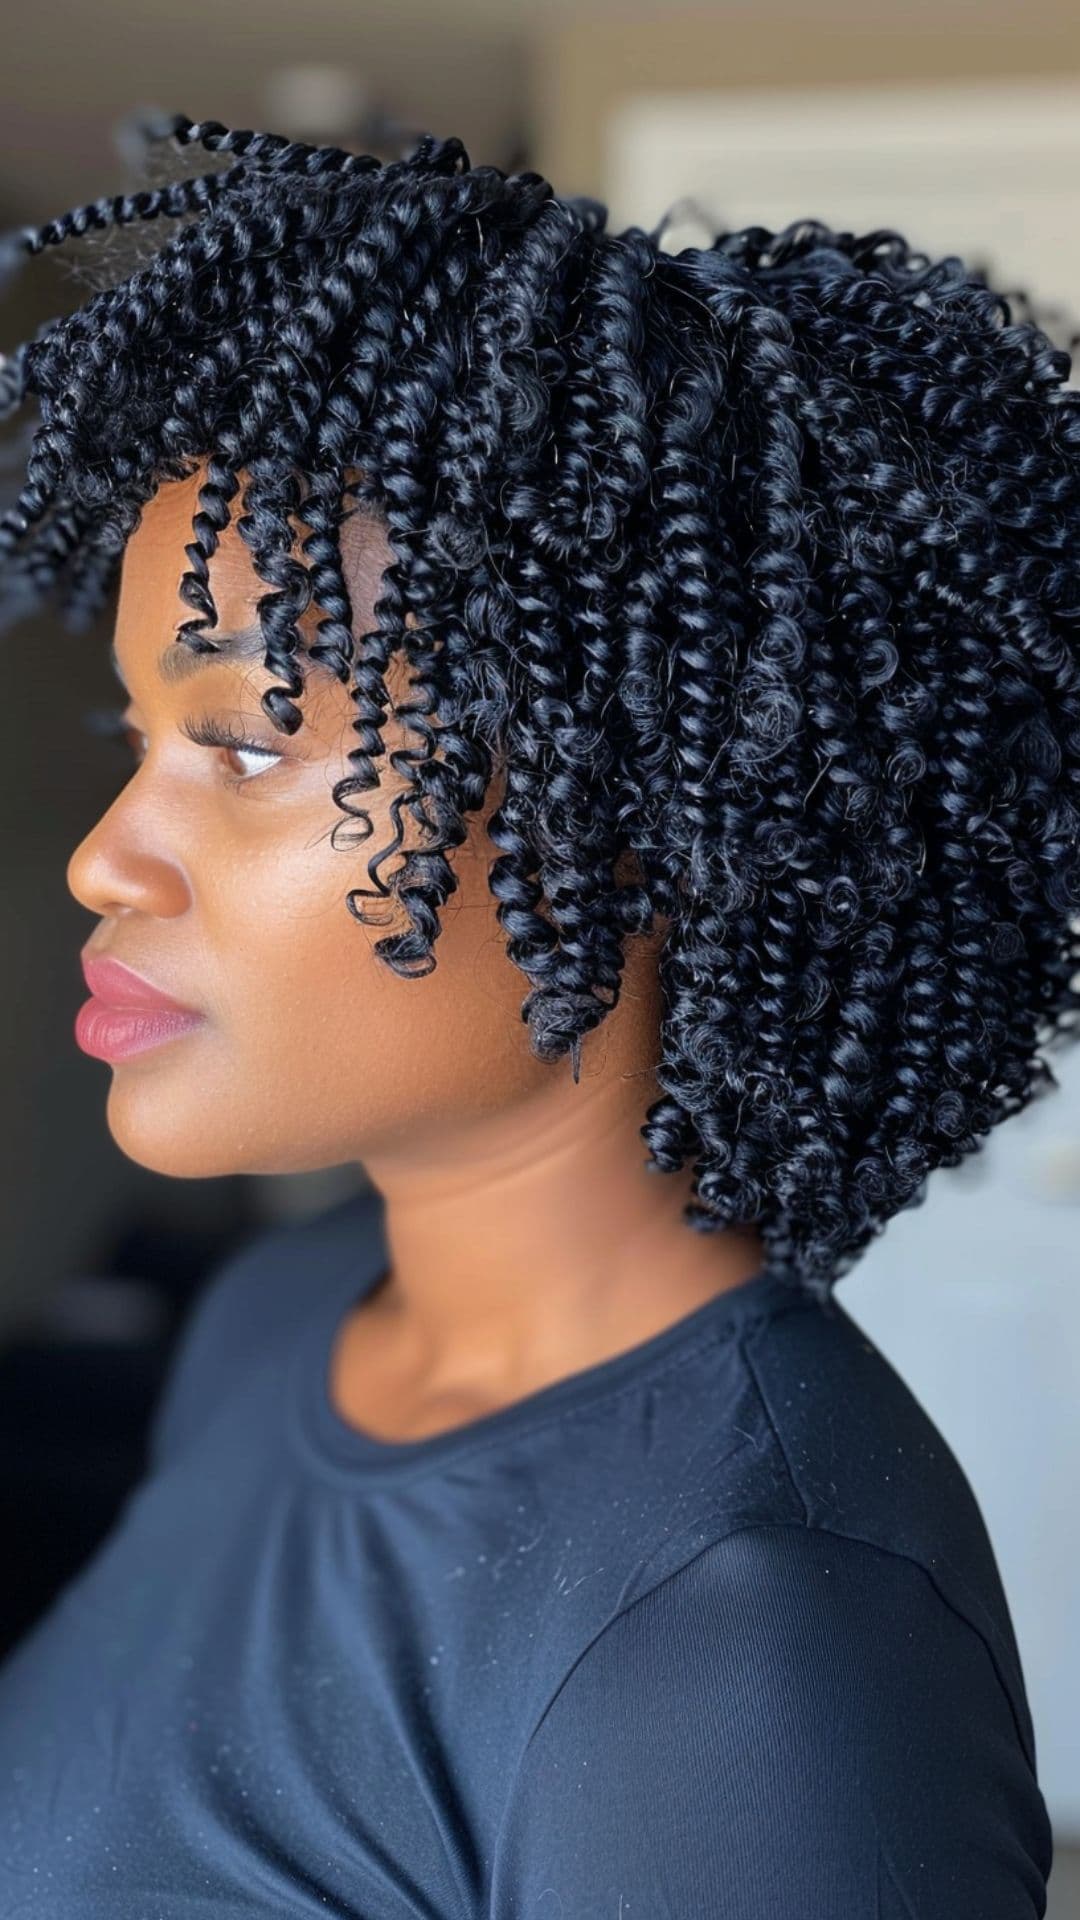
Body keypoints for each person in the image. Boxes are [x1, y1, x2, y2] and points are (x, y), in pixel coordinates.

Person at [0, 108, 1066, 1915]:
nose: (110, 859)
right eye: (139, 738)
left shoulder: (751, 1648)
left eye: (251, 741)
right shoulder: (280, 1316)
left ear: (644, 815)